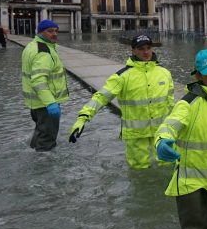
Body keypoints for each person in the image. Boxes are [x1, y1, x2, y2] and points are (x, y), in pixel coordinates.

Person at [154, 50, 207, 229]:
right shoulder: (188, 103)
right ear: (198, 76)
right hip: (192, 185)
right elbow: (170, 124)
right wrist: (162, 140)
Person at [68, 33, 174, 170]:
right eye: (141, 49)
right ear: (133, 51)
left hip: (161, 133)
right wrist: (83, 118)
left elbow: (171, 103)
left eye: (148, 48)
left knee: (167, 167)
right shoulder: (122, 77)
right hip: (135, 136)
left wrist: (174, 128)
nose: (146, 52)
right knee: (139, 171)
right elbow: (101, 97)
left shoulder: (164, 73)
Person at [21, 19, 69, 151]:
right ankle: (45, 167)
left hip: (35, 103)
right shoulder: (43, 52)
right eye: (50, 31)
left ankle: (33, 153)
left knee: (40, 132)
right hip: (46, 105)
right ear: (40, 32)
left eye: (56, 31)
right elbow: (38, 81)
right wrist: (50, 103)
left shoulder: (32, 46)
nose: (54, 34)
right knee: (47, 139)